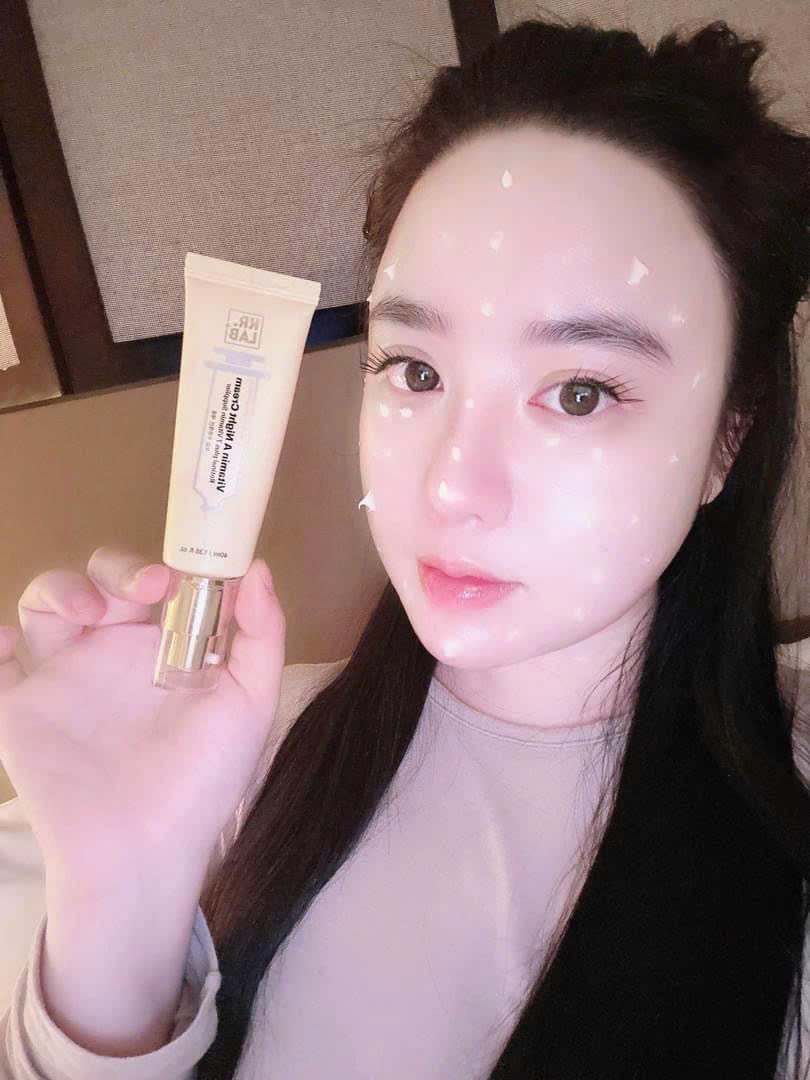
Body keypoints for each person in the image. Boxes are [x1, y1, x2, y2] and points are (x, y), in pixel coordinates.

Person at [1, 11, 809, 1079]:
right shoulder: (231, 757)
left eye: (578, 392)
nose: (450, 486)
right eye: (415, 371)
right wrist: (119, 899)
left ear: (727, 440)